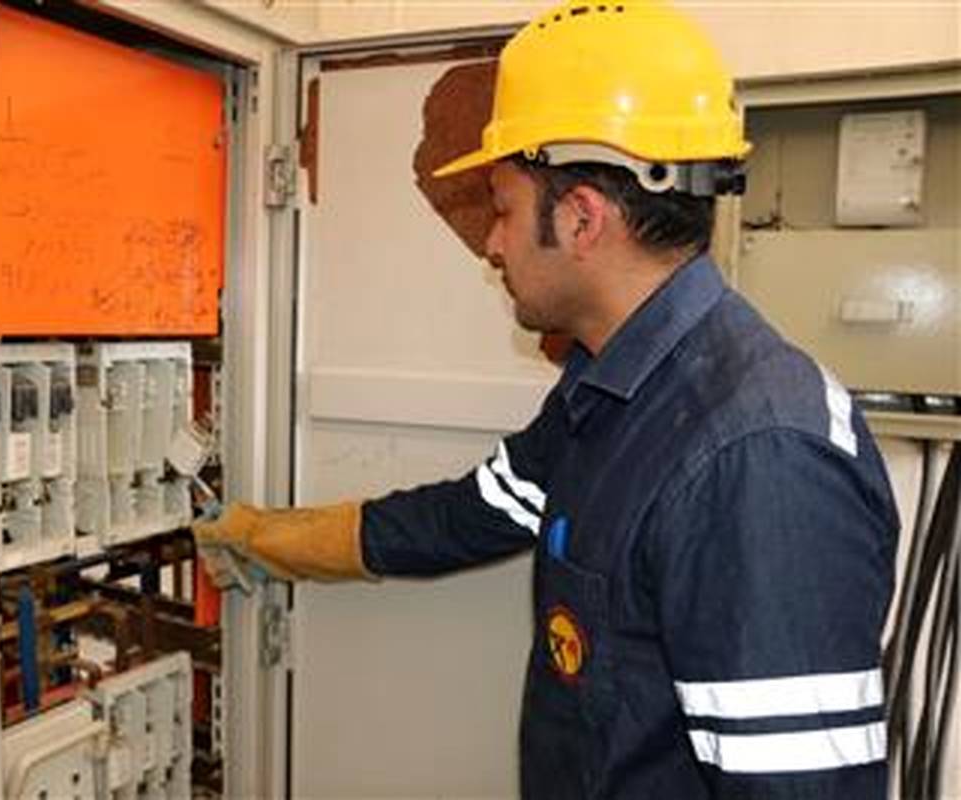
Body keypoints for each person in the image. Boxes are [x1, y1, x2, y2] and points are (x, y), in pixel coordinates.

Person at [195, 1, 899, 798]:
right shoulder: (609, 385)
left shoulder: (757, 457)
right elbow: (473, 514)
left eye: (502, 210)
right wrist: (272, 537)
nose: (492, 245)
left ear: (581, 217)